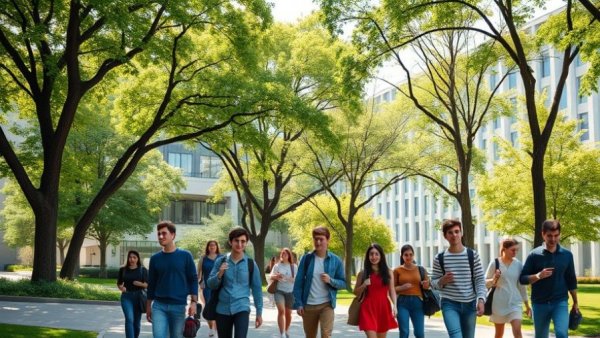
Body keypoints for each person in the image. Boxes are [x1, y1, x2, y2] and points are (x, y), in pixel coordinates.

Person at [519, 220, 578, 338]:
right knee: (541, 336)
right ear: (543, 234)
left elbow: (571, 279)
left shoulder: (567, 255)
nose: (553, 239)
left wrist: (575, 302)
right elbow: (522, 279)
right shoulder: (534, 255)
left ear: (560, 234)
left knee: (562, 334)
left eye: (556, 235)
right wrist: (537, 276)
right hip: (539, 303)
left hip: (560, 302)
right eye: (549, 236)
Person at [431, 219, 487, 338]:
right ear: (445, 236)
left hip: (470, 304)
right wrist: (441, 281)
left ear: (461, 233)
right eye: (450, 232)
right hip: (449, 303)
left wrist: (481, 299)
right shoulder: (439, 258)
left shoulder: (472, 255)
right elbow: (433, 283)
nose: (454, 235)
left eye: (457, 231)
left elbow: (480, 280)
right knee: (455, 336)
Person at [207, 227, 263, 338]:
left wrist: (259, 313)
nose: (239, 244)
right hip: (222, 308)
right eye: (236, 241)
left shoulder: (250, 264)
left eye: (243, 241)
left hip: (242, 307)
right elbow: (210, 284)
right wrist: (220, 273)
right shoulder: (221, 261)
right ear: (230, 242)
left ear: (246, 243)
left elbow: (257, 289)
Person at [147, 221, 198, 338]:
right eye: (158, 234)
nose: (160, 236)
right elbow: (152, 283)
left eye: (164, 233)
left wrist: (194, 302)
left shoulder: (186, 255)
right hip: (159, 306)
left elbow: (193, 279)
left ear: (173, 235)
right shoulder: (155, 259)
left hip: (178, 305)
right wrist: (148, 306)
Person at [293, 226, 346, 338]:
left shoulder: (336, 260)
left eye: (321, 239)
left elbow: (343, 283)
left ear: (327, 240)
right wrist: (299, 304)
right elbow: (298, 283)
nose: (318, 242)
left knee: (326, 335)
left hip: (326, 304)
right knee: (310, 335)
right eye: (315, 239)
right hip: (309, 306)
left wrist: (330, 280)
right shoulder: (306, 259)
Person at [485, 238, 531, 338]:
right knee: (499, 334)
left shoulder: (518, 264)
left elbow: (521, 286)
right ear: (504, 249)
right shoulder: (495, 263)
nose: (515, 252)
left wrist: (527, 305)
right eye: (513, 250)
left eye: (517, 250)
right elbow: (485, 283)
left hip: (514, 303)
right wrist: (494, 279)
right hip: (498, 303)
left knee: (517, 331)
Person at [354, 243, 398, 337]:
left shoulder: (388, 272)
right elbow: (356, 292)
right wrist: (364, 285)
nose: (373, 256)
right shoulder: (362, 273)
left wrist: (395, 305)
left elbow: (392, 290)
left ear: (381, 256)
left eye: (376, 254)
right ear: (368, 256)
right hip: (367, 308)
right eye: (371, 254)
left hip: (383, 308)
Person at [394, 244, 428, 338]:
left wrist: (426, 285)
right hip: (402, 303)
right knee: (404, 332)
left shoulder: (421, 269)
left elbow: (428, 286)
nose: (408, 257)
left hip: (418, 303)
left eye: (410, 254)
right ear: (402, 256)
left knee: (419, 333)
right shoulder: (397, 270)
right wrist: (402, 288)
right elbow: (392, 289)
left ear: (413, 255)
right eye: (406, 255)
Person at [117, 250, 148, 338]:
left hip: (139, 297)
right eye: (130, 257)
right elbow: (119, 283)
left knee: (137, 323)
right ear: (127, 258)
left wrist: (140, 284)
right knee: (129, 319)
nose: (132, 259)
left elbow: (147, 285)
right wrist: (121, 288)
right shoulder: (123, 270)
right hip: (126, 297)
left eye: (134, 257)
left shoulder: (143, 270)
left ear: (138, 259)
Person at [270, 247, 297, 338]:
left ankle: (285, 331)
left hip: (290, 292)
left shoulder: (294, 267)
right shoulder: (277, 266)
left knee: (288, 313)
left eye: (285, 253)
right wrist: (276, 277)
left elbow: (297, 279)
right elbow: (271, 276)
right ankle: (282, 334)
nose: (283, 255)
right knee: (281, 311)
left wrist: (290, 278)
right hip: (279, 291)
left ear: (289, 255)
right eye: (282, 253)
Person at [198, 240, 222, 338]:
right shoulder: (203, 259)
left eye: (214, 245)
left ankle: (215, 328)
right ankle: (211, 327)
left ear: (217, 247)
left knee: (218, 308)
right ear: (208, 247)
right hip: (207, 287)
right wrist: (199, 284)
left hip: (219, 287)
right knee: (208, 308)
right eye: (210, 245)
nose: (212, 247)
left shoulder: (222, 258)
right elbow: (198, 273)